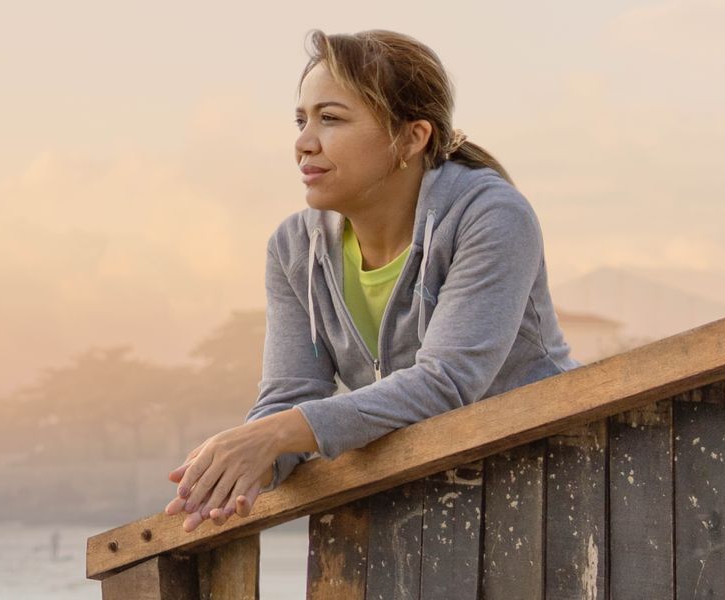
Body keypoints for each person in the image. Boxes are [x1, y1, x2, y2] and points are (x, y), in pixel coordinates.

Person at [164, 28, 582, 533]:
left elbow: (448, 381)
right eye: (301, 120)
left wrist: (273, 436)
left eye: (331, 119)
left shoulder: (489, 215)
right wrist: (244, 468)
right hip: (425, 509)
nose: (303, 143)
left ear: (411, 136)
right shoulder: (293, 248)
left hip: (555, 482)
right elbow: (290, 393)